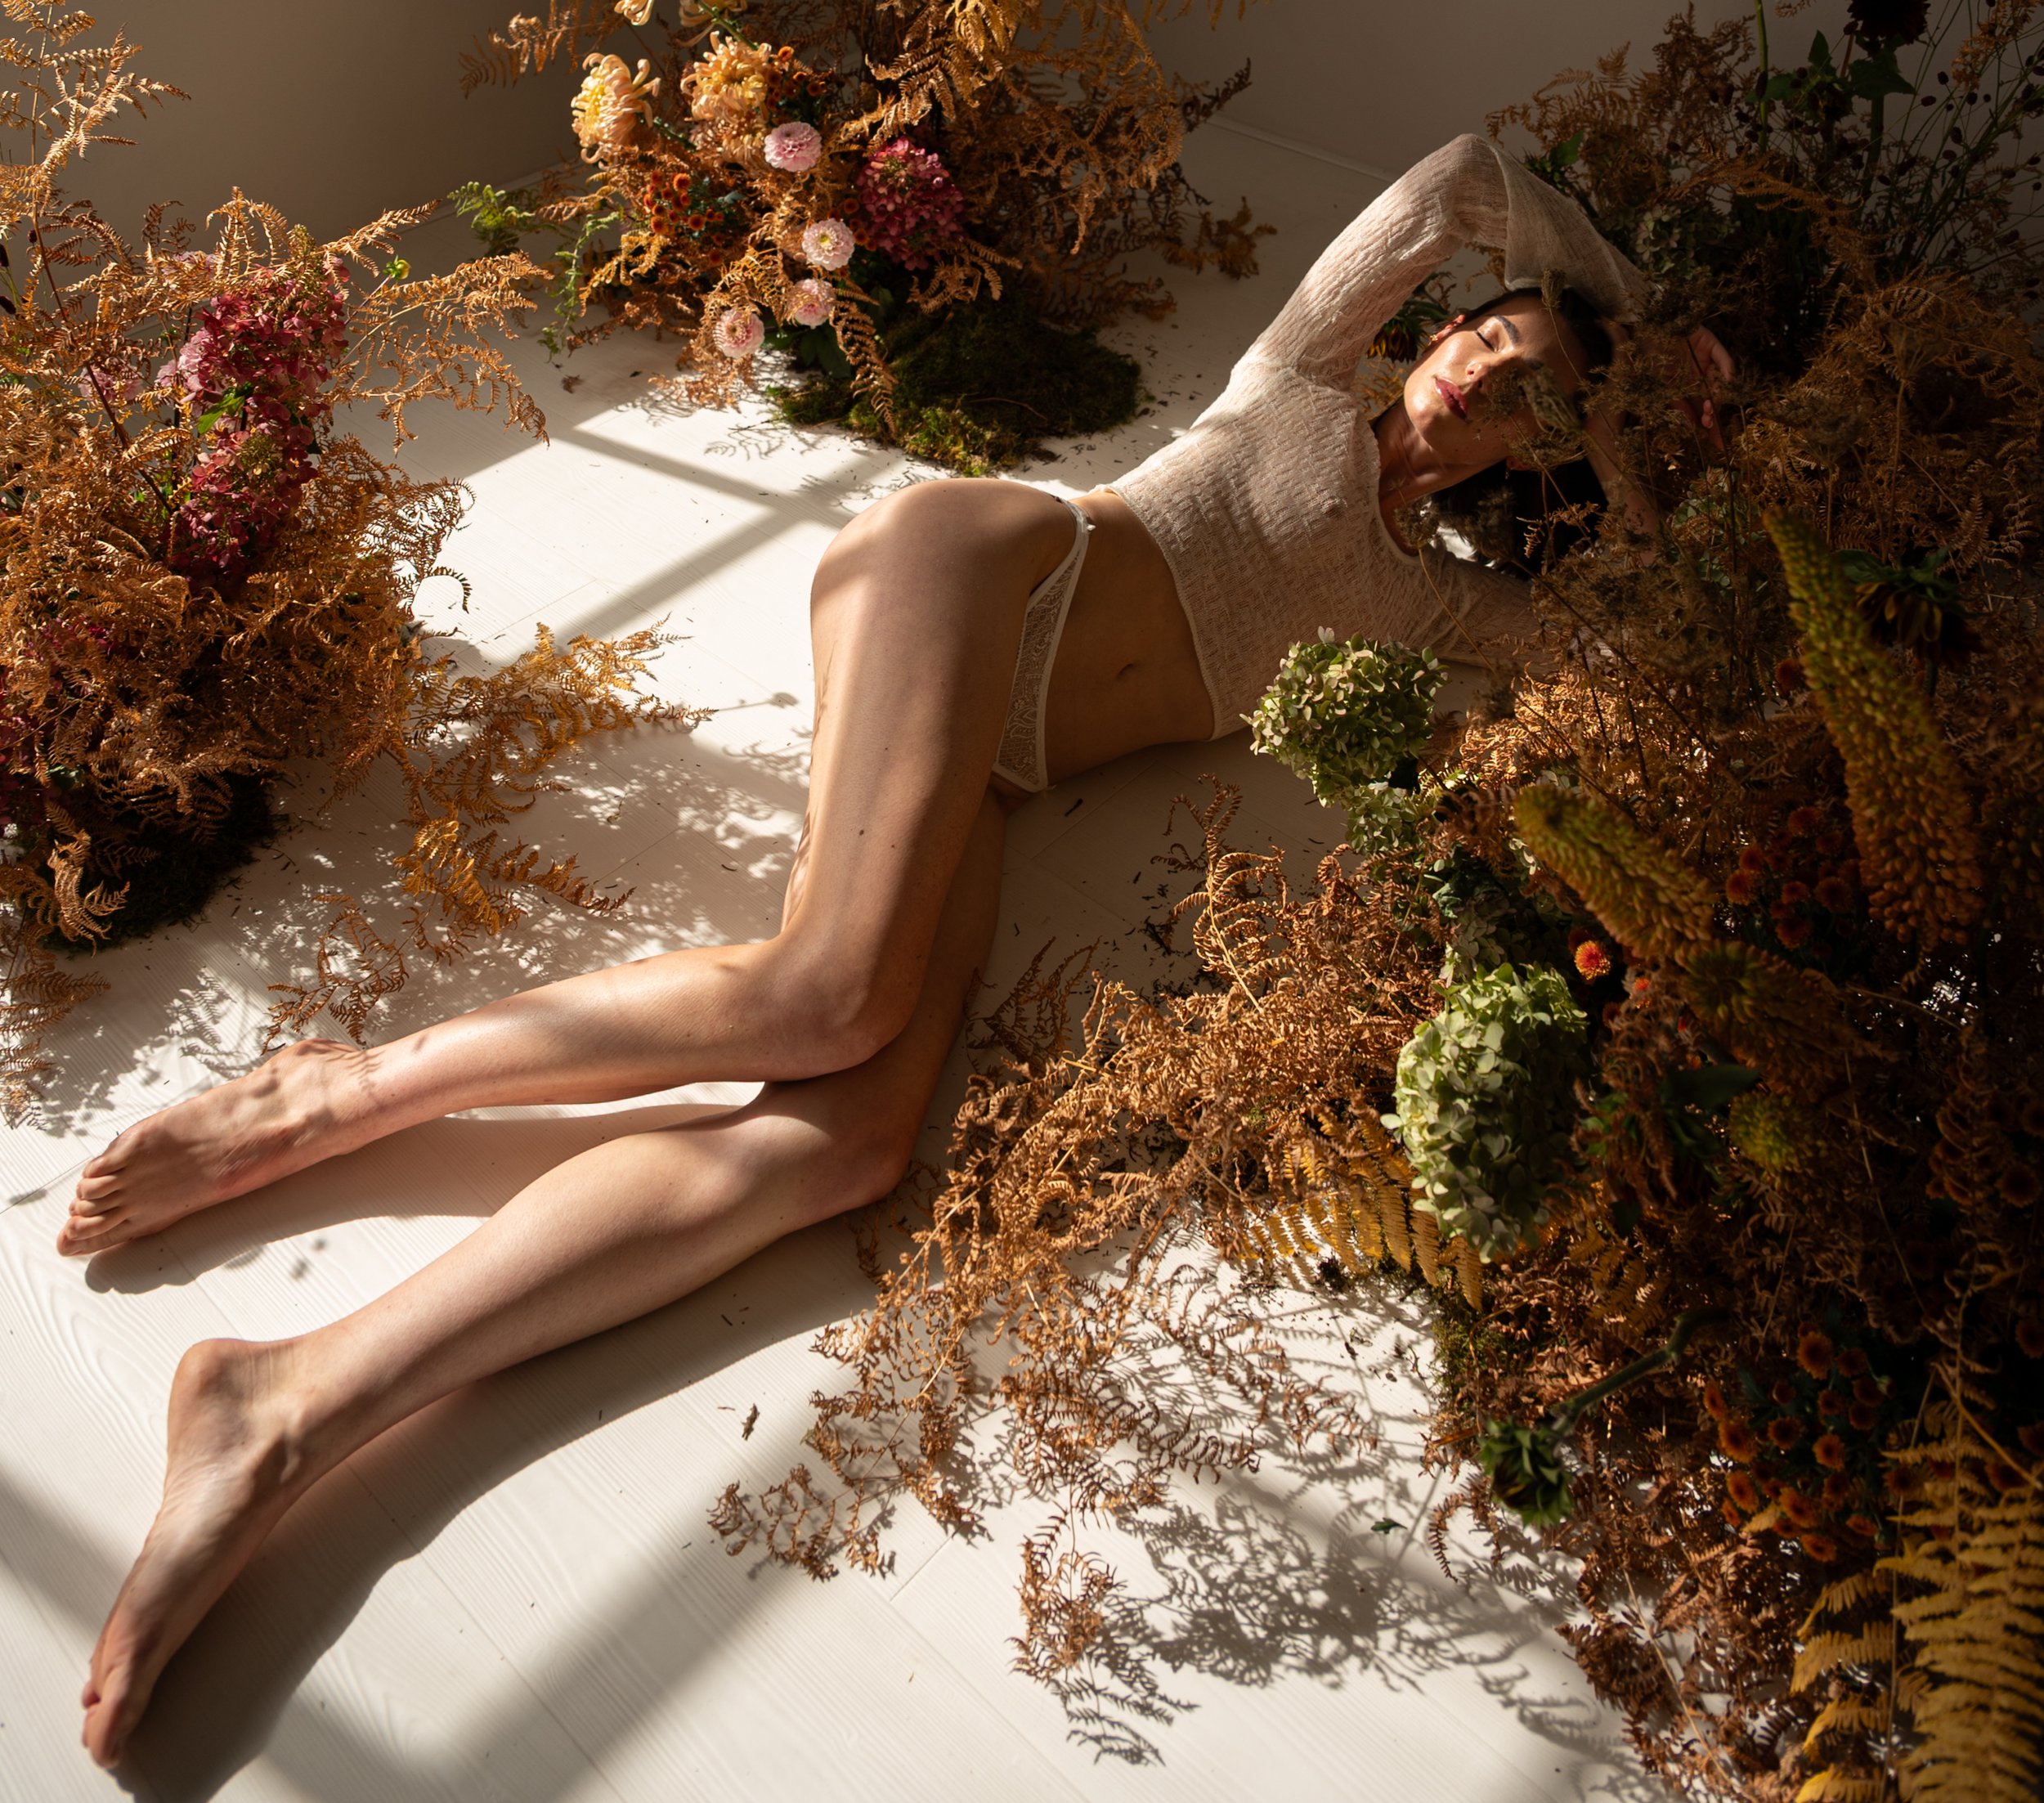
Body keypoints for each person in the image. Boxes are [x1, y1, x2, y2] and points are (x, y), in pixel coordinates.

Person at [58, 134, 1730, 1767]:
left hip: (1000, 764)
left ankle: (292, 1400)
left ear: (1544, 453)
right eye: (1480, 330)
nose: (1473, 371)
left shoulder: (1429, 600)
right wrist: (1630, 313)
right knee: (830, 991)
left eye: (1524, 388)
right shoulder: (1302, 378)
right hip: (973, 570)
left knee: (846, 1145)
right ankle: (340, 1089)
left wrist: (1644, 430)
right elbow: (1459, 177)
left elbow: (1633, 631)